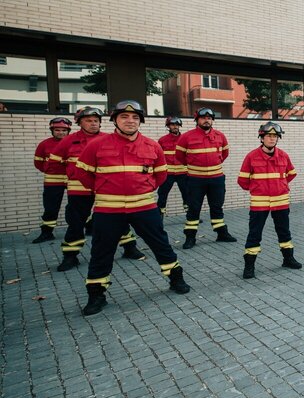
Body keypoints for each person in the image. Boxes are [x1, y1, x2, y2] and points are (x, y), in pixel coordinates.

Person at [72, 100, 190, 316]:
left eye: (135, 117)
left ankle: (176, 279)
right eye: (124, 117)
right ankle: (96, 295)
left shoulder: (152, 146)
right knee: (101, 251)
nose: (130, 121)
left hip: (144, 206)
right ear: (115, 120)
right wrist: (106, 189)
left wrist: (142, 189)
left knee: (161, 244)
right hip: (108, 209)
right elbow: (82, 174)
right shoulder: (96, 145)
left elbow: (160, 175)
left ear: (140, 121)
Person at [51, 107, 145, 270]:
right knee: (76, 222)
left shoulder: (109, 139)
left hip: (106, 190)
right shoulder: (68, 141)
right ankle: (70, 256)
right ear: (79, 123)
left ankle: (129, 247)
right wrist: (71, 174)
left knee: (119, 219)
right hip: (79, 189)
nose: (93, 123)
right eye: (88, 121)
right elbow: (53, 164)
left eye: (96, 121)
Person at [238, 122, 302, 279]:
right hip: (259, 203)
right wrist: (258, 189)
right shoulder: (251, 156)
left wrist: (280, 186)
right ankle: (249, 266)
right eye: (269, 136)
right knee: (254, 233)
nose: (272, 139)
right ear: (262, 138)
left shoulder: (284, 155)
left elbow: (291, 173)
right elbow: (242, 181)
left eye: (275, 136)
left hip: (281, 201)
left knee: (284, 231)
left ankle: (288, 259)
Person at [177, 108, 236, 248]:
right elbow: (180, 157)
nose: (206, 120)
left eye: (209, 118)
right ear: (197, 120)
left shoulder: (220, 136)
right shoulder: (186, 137)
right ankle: (190, 237)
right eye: (203, 118)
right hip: (195, 179)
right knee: (193, 208)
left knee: (217, 207)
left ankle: (221, 233)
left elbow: (225, 153)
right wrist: (196, 167)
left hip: (216, 178)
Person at [31, 117, 72, 243]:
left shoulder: (75, 142)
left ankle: (87, 228)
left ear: (68, 131)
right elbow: (38, 162)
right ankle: (47, 233)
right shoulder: (44, 144)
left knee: (78, 206)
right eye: (57, 130)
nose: (61, 132)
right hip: (53, 181)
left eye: (64, 130)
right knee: (50, 208)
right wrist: (49, 169)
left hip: (73, 180)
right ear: (52, 130)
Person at [157, 117, 188, 214]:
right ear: (168, 126)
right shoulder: (162, 140)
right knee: (162, 194)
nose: (175, 127)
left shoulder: (185, 139)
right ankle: (159, 216)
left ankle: (191, 216)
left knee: (187, 194)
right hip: (167, 174)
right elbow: (158, 157)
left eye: (177, 125)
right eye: (172, 125)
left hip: (183, 173)